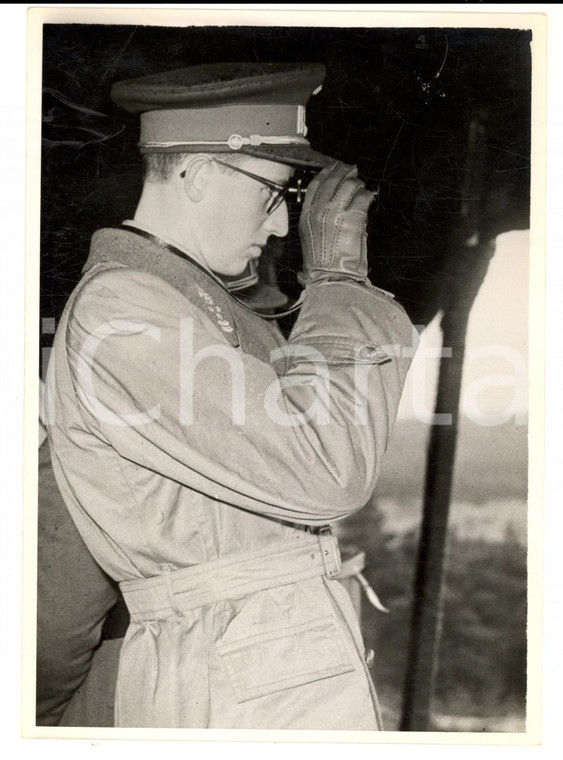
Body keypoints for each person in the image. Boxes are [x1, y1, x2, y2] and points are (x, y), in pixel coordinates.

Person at [44, 62, 415, 730]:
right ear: (197, 175)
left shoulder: (196, 309)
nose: (279, 226)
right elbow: (326, 472)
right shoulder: (125, 313)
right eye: (272, 192)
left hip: (254, 669)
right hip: (220, 684)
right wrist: (336, 279)